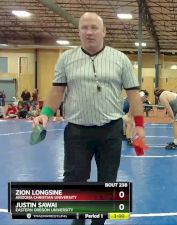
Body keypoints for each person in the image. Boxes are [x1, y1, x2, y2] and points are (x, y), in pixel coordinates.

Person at [32, 12, 145, 225]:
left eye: (94, 27)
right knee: (75, 183)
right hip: (77, 131)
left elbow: (133, 95)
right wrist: (45, 114)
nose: (89, 32)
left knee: (107, 183)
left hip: (110, 130)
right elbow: (57, 91)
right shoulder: (66, 58)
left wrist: (139, 126)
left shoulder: (120, 59)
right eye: (84, 27)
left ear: (104, 32)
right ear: (79, 31)